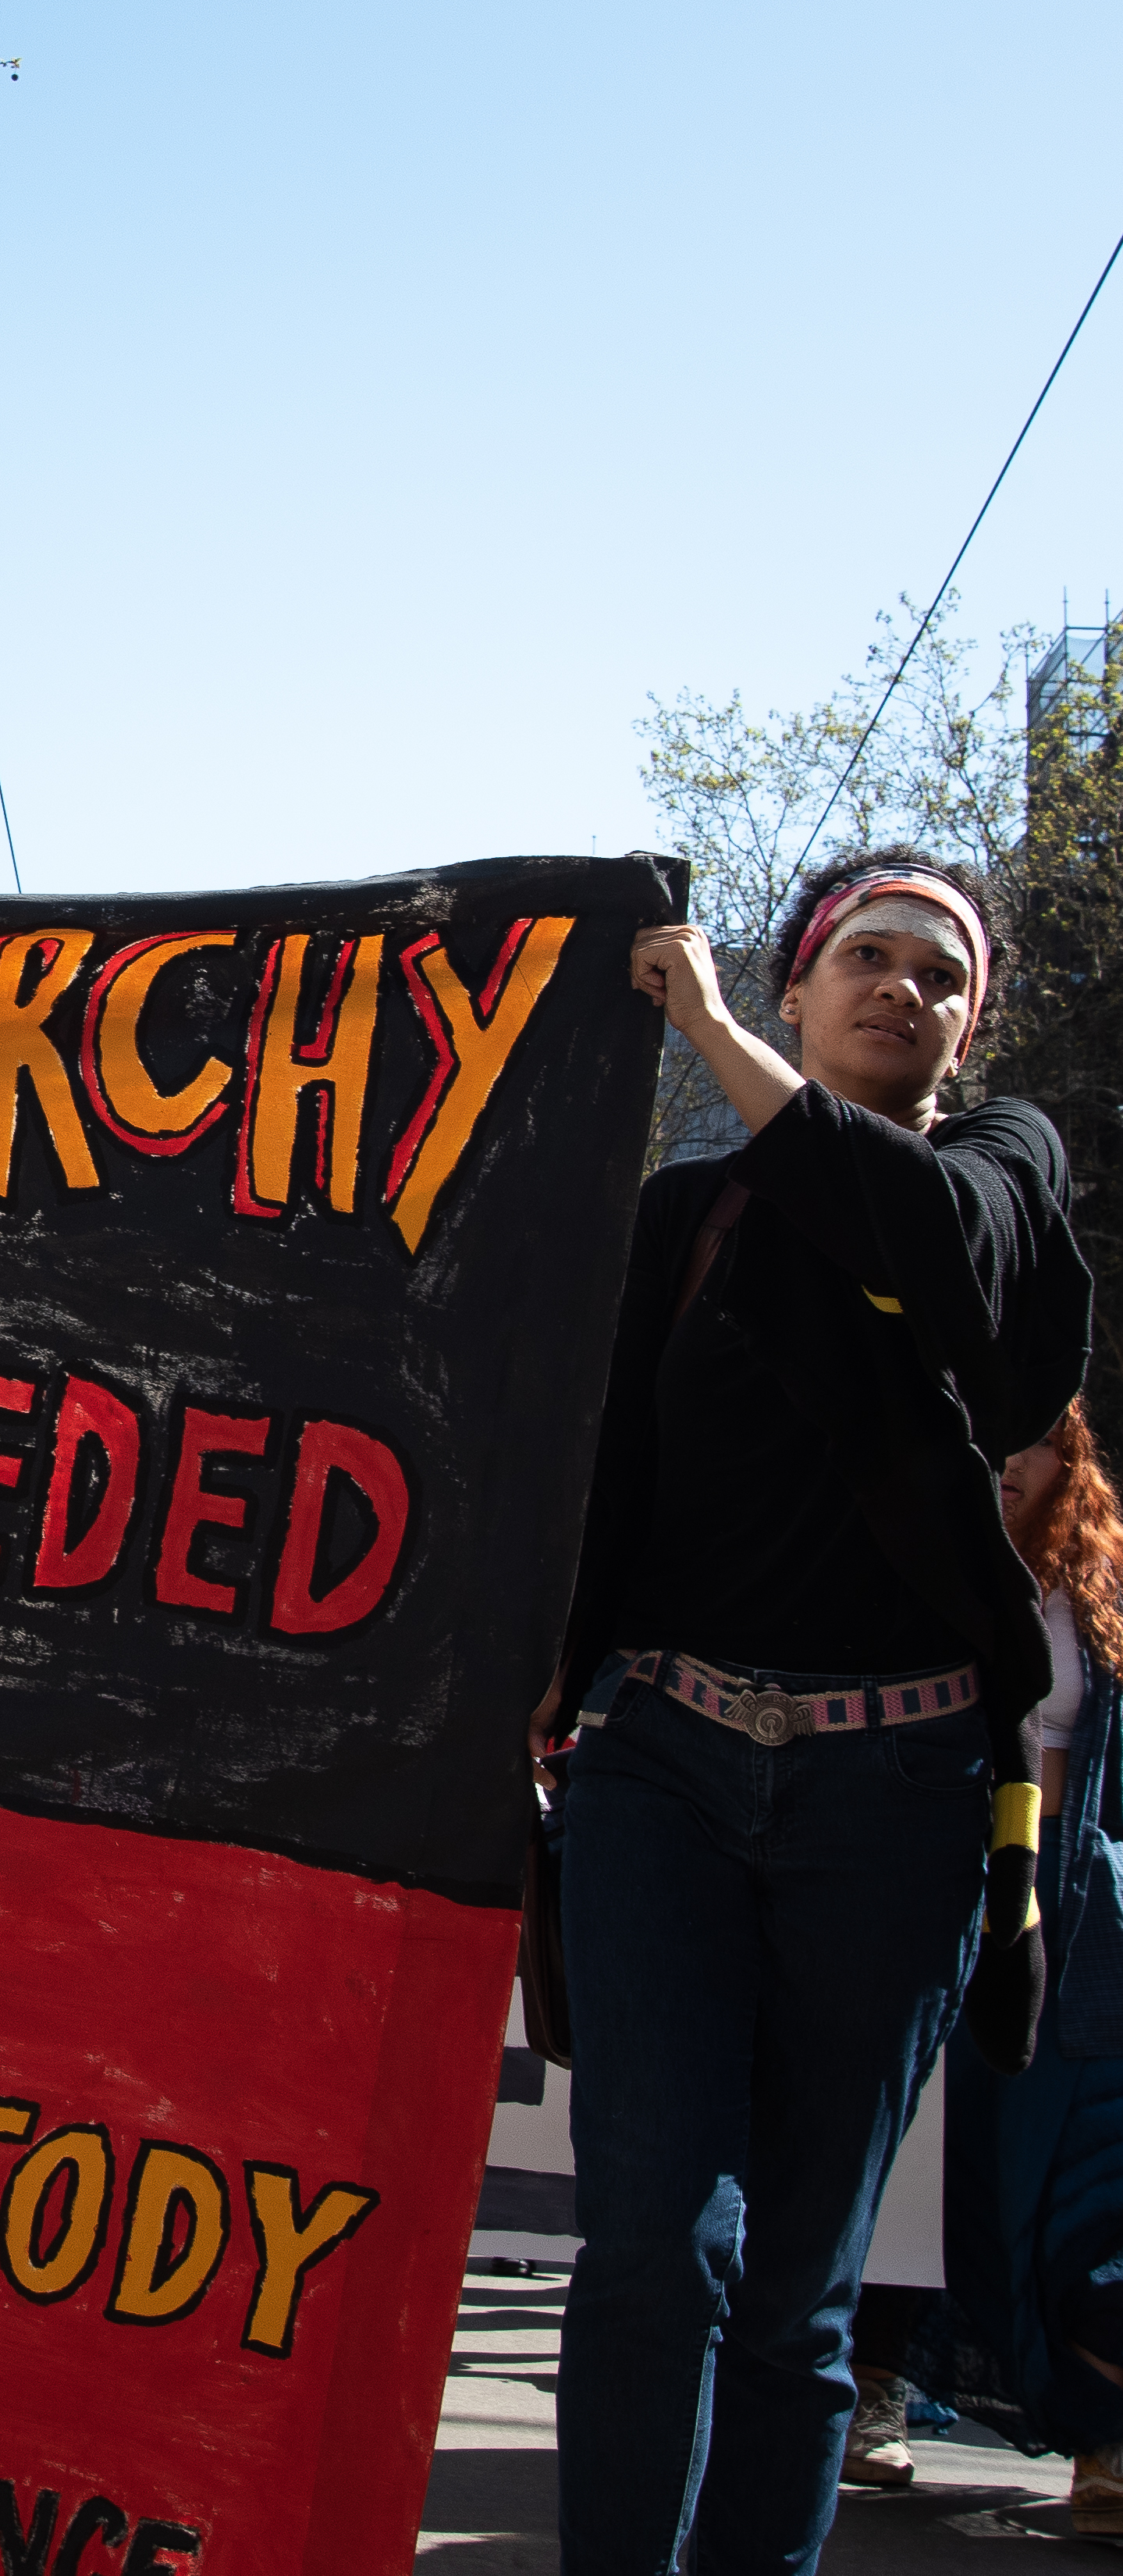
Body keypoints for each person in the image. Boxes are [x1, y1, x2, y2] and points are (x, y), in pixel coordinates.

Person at [541, 850, 1092, 2571]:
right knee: (650, 2246)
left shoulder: (1007, 1176)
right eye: (868, 954)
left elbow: (922, 1238)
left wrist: (698, 1027)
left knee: (797, 2294)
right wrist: (543, 1686)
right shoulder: (679, 1222)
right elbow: (594, 1475)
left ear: (972, 1026)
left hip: (902, 1800)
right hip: (664, 1778)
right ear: (800, 984)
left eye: (941, 973)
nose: (902, 986)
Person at [926, 1401, 1123, 2529]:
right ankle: (881, 2384)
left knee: (1088, 2182)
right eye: (996, 1445)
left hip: (1079, 1915)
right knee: (953, 2177)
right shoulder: (920, 1558)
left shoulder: (1100, 1595)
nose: (1012, 1466)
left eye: (1038, 1444)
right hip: (940, 1899)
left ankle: (1104, 2441)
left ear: (1070, 1462)